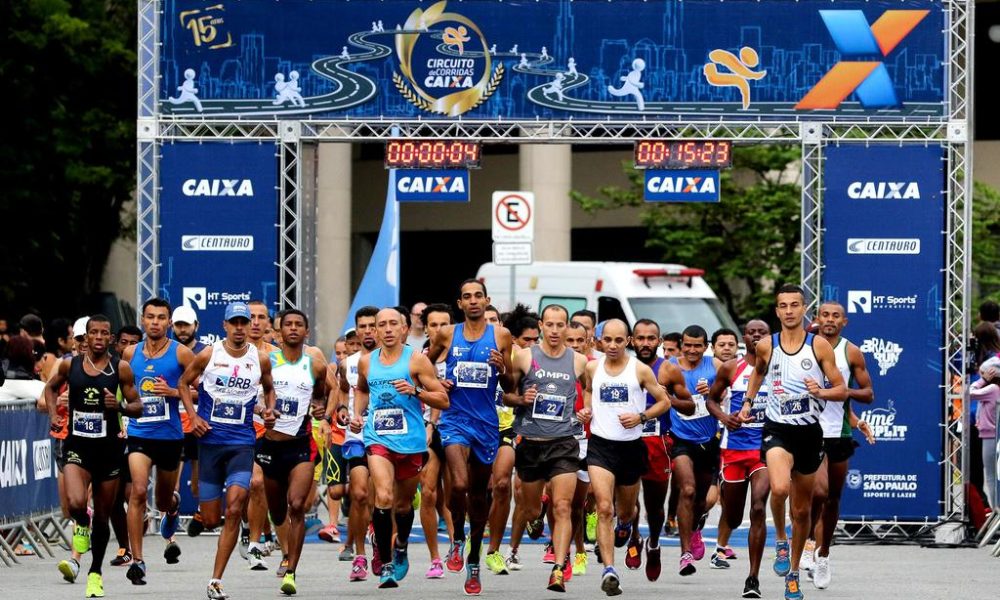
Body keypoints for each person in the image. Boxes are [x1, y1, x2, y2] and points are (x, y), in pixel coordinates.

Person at [740, 284, 847, 600]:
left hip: (809, 433)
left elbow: (840, 389)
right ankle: (782, 540)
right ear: (777, 311)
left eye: (794, 305)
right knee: (780, 488)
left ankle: (795, 573)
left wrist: (821, 392)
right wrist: (748, 401)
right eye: (783, 305)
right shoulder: (766, 346)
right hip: (778, 430)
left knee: (802, 511)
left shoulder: (819, 347)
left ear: (804, 310)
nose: (788, 310)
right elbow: (758, 373)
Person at [579, 319, 688, 596]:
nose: (613, 346)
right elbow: (589, 389)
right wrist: (588, 409)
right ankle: (609, 570)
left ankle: (627, 525)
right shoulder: (592, 367)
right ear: (600, 341)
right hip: (601, 447)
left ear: (627, 341)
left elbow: (664, 402)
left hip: (631, 447)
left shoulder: (639, 370)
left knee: (626, 511)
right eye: (608, 341)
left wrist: (641, 416)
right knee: (604, 508)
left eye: (619, 340)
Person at [177, 302, 277, 600]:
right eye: (234, 322)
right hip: (209, 443)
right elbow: (183, 383)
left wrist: (268, 410)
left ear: (250, 326)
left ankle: (216, 580)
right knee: (211, 518)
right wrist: (193, 416)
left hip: (241, 443)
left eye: (243, 323)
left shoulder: (260, 358)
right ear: (224, 326)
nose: (239, 328)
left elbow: (269, 389)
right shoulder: (209, 353)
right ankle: (207, 518)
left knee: (234, 508)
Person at [44, 315, 142, 599]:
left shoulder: (120, 369)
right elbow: (50, 388)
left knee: (102, 517)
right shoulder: (69, 365)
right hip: (78, 446)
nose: (98, 338)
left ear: (110, 339)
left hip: (109, 451)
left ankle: (95, 573)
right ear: (85, 338)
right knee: (75, 502)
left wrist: (120, 405)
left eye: (104, 334)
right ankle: (80, 525)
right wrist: (53, 416)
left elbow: (138, 406)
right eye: (93, 333)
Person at [427, 280, 514, 595]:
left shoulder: (501, 335)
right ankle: (457, 539)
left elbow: (511, 382)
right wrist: (438, 384)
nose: (474, 301)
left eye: (479, 296)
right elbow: (424, 363)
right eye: (467, 297)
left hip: (487, 423)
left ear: (487, 301)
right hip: (454, 419)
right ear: (460, 303)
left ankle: (474, 558)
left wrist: (503, 368)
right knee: (459, 484)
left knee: (479, 495)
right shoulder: (448, 333)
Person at [352, 308, 449, 588]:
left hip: (411, 442)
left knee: (404, 505)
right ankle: (385, 562)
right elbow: (362, 389)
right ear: (375, 331)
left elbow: (443, 400)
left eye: (394, 323)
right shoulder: (367, 362)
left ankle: (402, 544)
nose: (388, 329)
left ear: (405, 329)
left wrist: (415, 391)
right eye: (382, 325)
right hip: (377, 438)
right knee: (383, 496)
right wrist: (358, 415)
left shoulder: (416, 361)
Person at [504, 304, 589, 592]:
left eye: (560, 325)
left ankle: (558, 568)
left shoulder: (579, 361)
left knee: (563, 505)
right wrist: (521, 399)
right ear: (541, 325)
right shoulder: (524, 357)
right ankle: (534, 518)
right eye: (550, 324)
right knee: (529, 510)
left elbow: (590, 387)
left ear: (568, 326)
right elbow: (507, 396)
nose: (555, 330)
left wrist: (587, 408)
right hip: (530, 442)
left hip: (564, 443)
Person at [121, 298, 196, 584]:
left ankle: (173, 507)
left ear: (168, 323)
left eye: (161, 318)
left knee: (163, 499)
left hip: (169, 436)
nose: (155, 322)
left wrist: (174, 392)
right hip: (140, 433)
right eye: (150, 317)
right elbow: (120, 389)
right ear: (143, 320)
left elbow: (204, 391)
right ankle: (138, 560)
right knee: (138, 491)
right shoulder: (129, 353)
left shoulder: (182, 354)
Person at [801, 302, 874, 589]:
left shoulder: (851, 351)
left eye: (835, 316)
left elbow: (868, 394)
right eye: (825, 315)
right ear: (817, 318)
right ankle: (808, 543)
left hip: (839, 431)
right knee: (817, 493)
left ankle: (824, 554)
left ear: (844, 321)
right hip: (809, 430)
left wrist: (842, 392)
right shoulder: (805, 348)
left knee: (832, 497)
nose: (829, 320)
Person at [256, 309, 329, 595]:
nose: (294, 329)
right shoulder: (266, 362)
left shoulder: (315, 365)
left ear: (306, 332)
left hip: (300, 444)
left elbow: (324, 392)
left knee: (297, 505)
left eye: (299, 324)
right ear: (278, 332)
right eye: (288, 325)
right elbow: (251, 396)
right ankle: (282, 544)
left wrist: (323, 409)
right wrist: (263, 410)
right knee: (277, 511)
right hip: (271, 445)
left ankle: (291, 570)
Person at [621, 319, 692, 581]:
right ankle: (634, 537)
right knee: (626, 501)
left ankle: (653, 543)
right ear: (632, 341)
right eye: (641, 338)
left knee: (654, 505)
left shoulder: (669, 371)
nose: (646, 343)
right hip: (625, 440)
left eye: (651, 338)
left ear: (659, 342)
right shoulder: (621, 368)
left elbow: (690, 406)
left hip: (657, 442)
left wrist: (668, 398)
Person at [708, 319, 771, 598]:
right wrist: (725, 418)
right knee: (732, 516)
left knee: (758, 507)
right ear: (744, 337)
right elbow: (711, 400)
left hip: (766, 451)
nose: (756, 335)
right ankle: (724, 534)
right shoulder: (732, 367)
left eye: (763, 332)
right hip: (734, 449)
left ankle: (753, 578)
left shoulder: (779, 366)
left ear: (770, 337)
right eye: (751, 332)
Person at [487, 304, 538, 573]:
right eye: (526, 339)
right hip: (479, 426)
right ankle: (470, 538)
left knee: (506, 486)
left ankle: (503, 550)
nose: (531, 344)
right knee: (478, 488)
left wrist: (522, 399)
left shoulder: (523, 359)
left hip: (510, 428)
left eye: (534, 339)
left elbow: (515, 393)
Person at [668, 325, 721, 577]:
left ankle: (695, 524)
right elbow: (657, 394)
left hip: (709, 441)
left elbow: (729, 396)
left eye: (697, 345)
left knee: (701, 499)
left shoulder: (716, 366)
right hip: (680, 440)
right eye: (687, 345)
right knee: (686, 489)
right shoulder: (670, 366)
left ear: (706, 346)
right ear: (681, 344)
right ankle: (685, 553)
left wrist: (712, 393)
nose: (691, 350)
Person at [338, 306, 380, 580]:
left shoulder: (393, 360)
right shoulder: (348, 363)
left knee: (380, 499)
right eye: (362, 326)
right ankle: (359, 554)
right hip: (356, 437)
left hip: (387, 437)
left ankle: (381, 546)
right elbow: (343, 392)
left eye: (371, 325)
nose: (367, 331)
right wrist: (343, 412)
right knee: (359, 493)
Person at [418, 303, 455, 578]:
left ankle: (456, 546)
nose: (439, 330)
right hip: (427, 429)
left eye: (444, 324)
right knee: (428, 493)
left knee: (453, 494)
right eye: (434, 325)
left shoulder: (460, 353)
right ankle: (434, 558)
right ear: (426, 328)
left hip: (457, 428)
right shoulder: (417, 358)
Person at [971, 357, 1000, 510]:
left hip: (990, 435)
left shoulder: (992, 389)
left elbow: (968, 393)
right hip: (995, 433)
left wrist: (982, 380)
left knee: (991, 477)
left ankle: (997, 511)